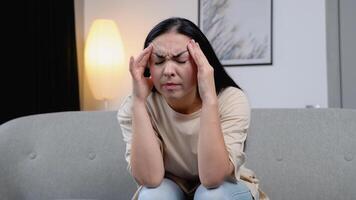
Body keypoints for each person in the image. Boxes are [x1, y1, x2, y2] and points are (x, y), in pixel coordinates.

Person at [117, 17, 267, 200]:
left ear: (201, 62)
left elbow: (212, 178)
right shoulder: (134, 106)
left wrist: (209, 98)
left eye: (181, 60)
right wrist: (139, 103)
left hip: (223, 187)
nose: (168, 71)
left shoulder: (231, 99)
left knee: (212, 196)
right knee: (153, 195)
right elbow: (150, 179)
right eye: (158, 61)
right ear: (148, 66)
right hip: (171, 187)